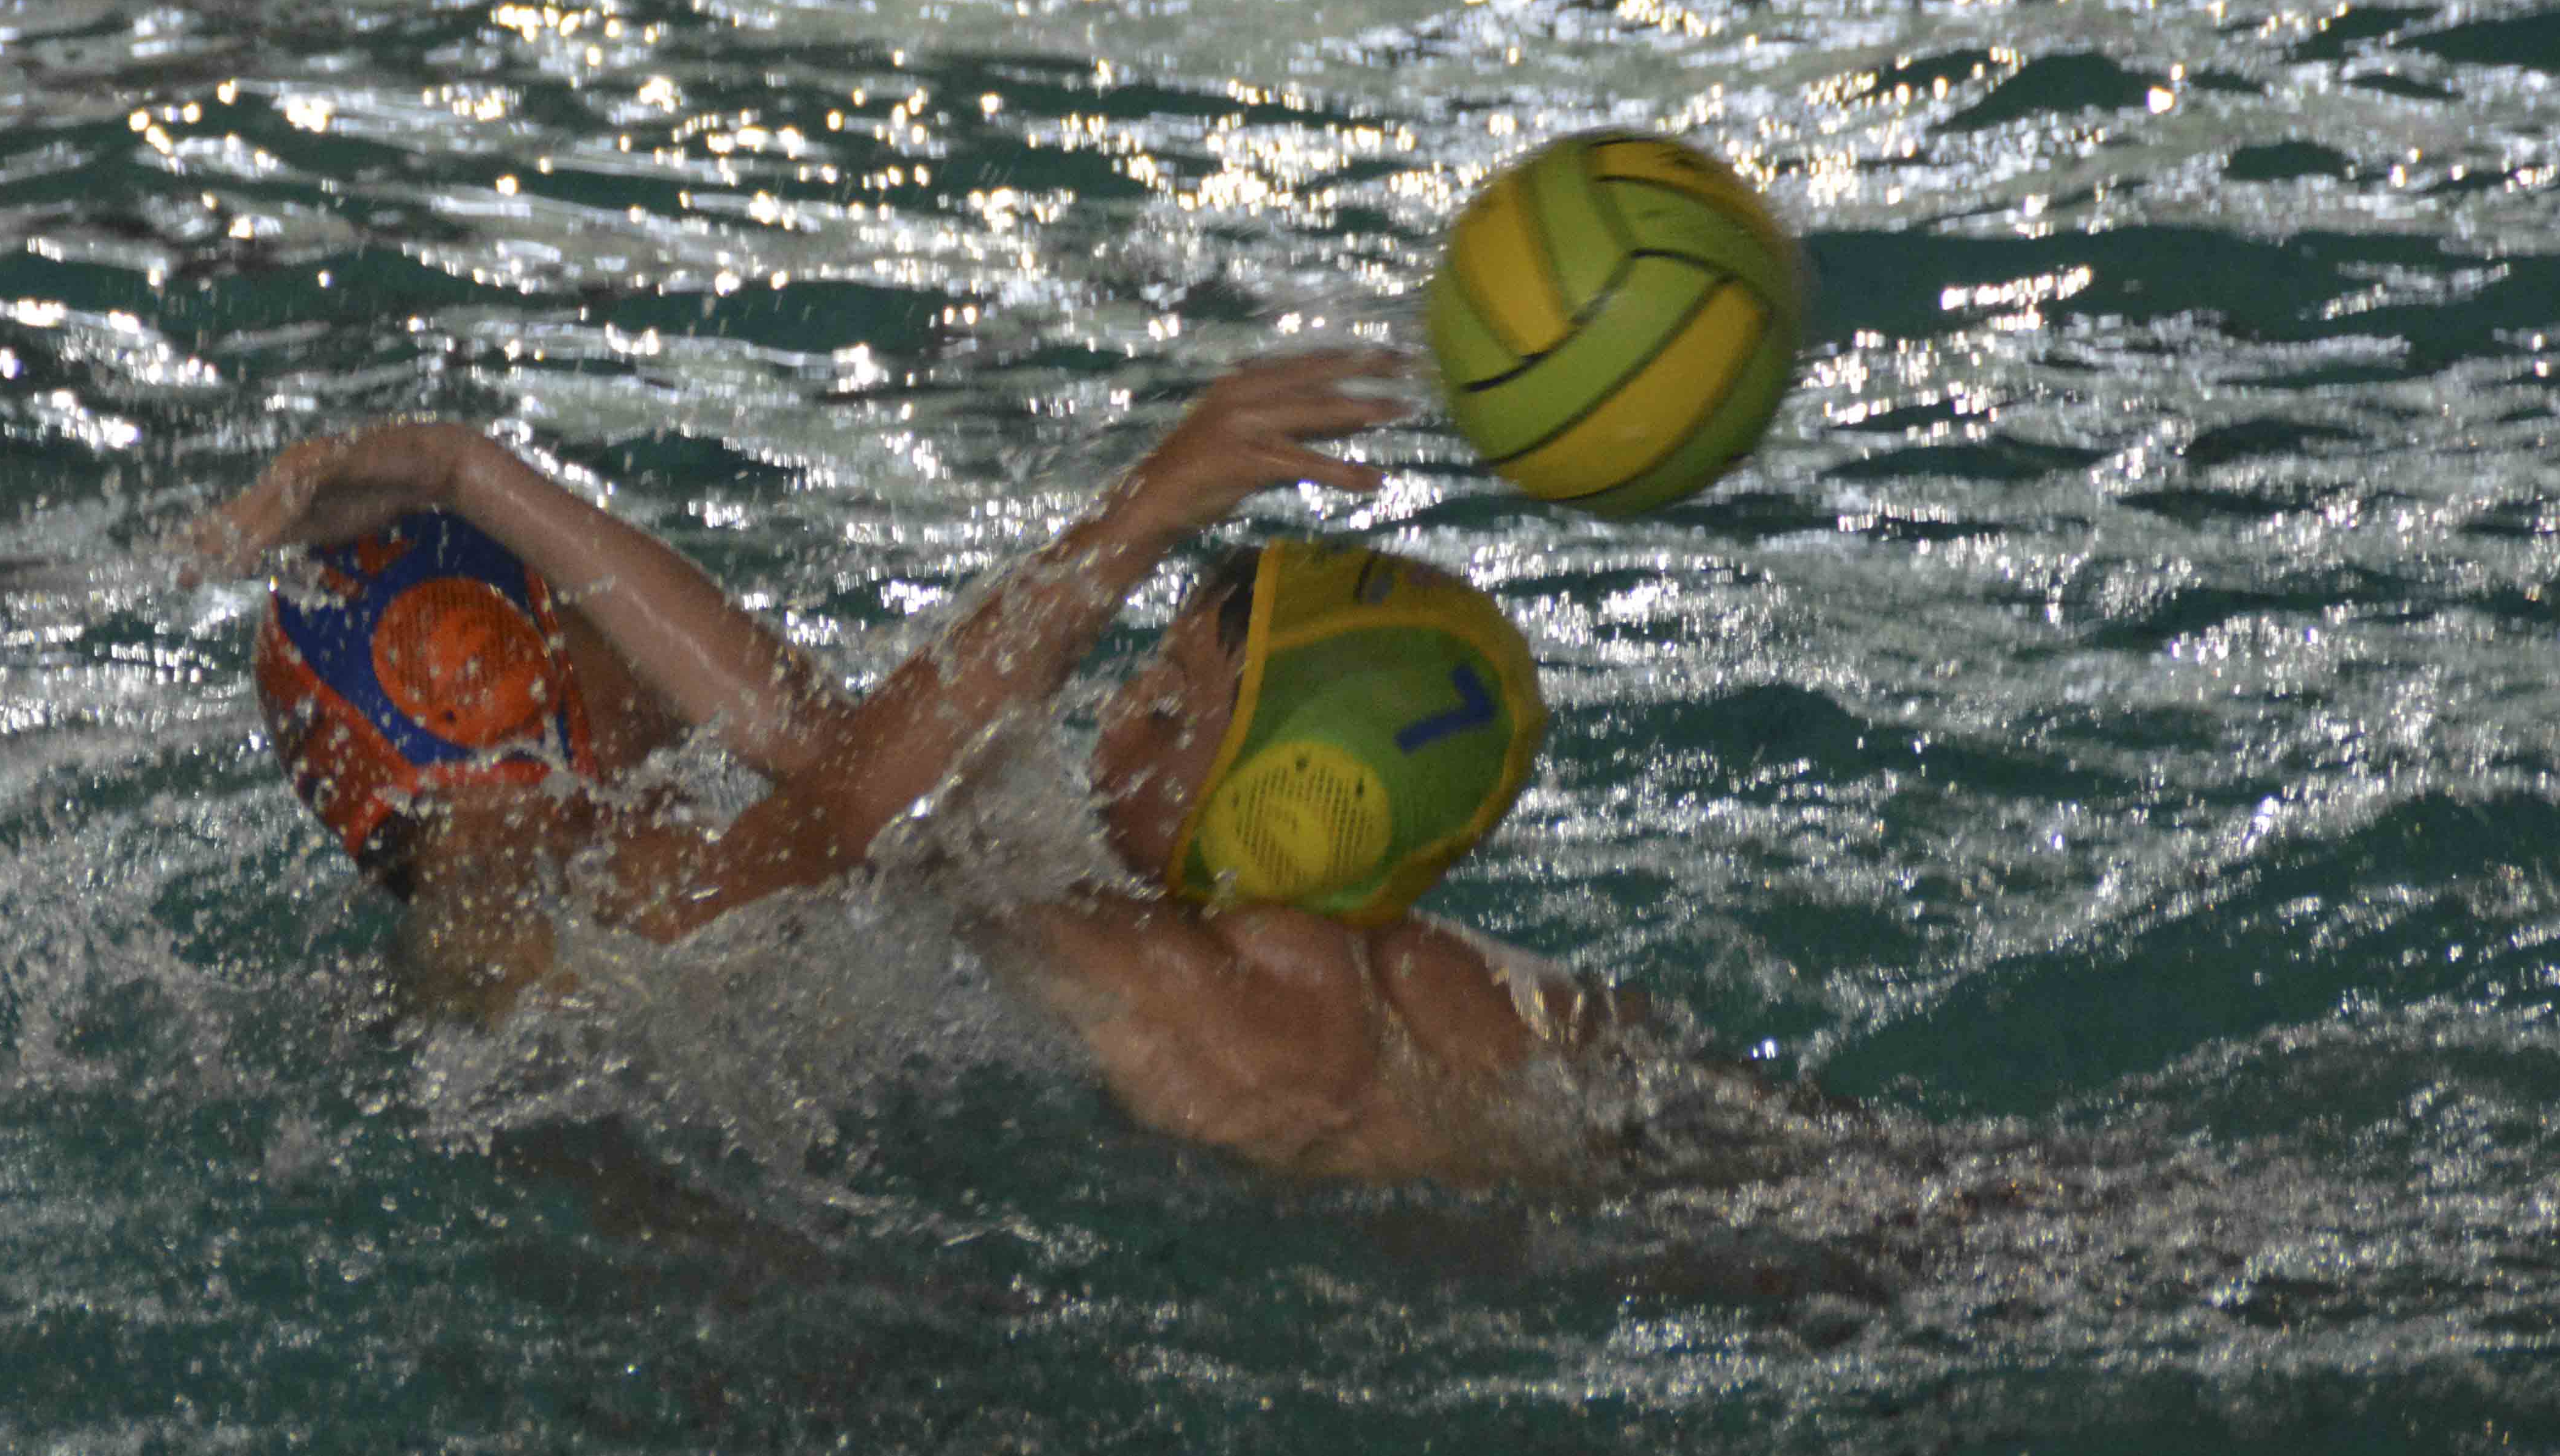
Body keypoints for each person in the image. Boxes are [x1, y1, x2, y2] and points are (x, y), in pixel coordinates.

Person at [183, 348, 1687, 1186]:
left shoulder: (508, 927)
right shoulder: (1426, 980)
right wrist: (465, 471)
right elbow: (850, 765)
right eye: (593, 617)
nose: (650, 663)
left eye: (1168, 702)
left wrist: (473, 473)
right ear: (503, 677)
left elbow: (856, 771)